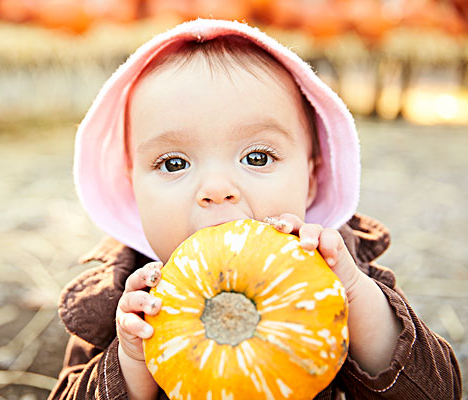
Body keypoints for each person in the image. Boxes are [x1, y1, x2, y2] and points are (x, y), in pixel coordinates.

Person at [48, 19, 461, 399]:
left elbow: (439, 391)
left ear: (312, 178)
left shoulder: (339, 271)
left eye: (258, 157)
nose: (217, 190)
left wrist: (355, 299)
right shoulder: (120, 301)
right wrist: (131, 365)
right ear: (132, 188)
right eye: (174, 164)